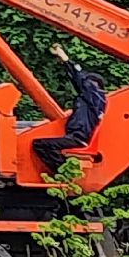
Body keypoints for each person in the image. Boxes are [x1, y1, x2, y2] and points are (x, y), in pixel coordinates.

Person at [33, 42, 107, 174]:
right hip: (77, 136)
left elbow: (80, 78)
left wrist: (65, 58)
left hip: (78, 137)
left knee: (40, 144)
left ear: (94, 85)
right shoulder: (92, 99)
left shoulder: (93, 95)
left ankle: (64, 173)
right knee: (43, 144)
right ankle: (62, 171)